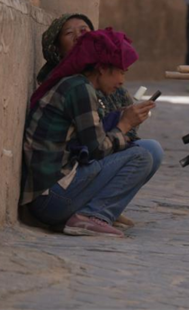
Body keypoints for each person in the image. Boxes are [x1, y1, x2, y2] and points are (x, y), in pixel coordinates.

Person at [21, 29, 163, 237]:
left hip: (65, 185)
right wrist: (124, 125)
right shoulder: (79, 89)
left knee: (152, 149)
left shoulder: (83, 86)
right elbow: (97, 149)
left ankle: (97, 210)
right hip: (50, 198)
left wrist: (123, 122)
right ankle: (92, 215)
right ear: (102, 68)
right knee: (141, 156)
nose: (122, 81)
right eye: (121, 72)